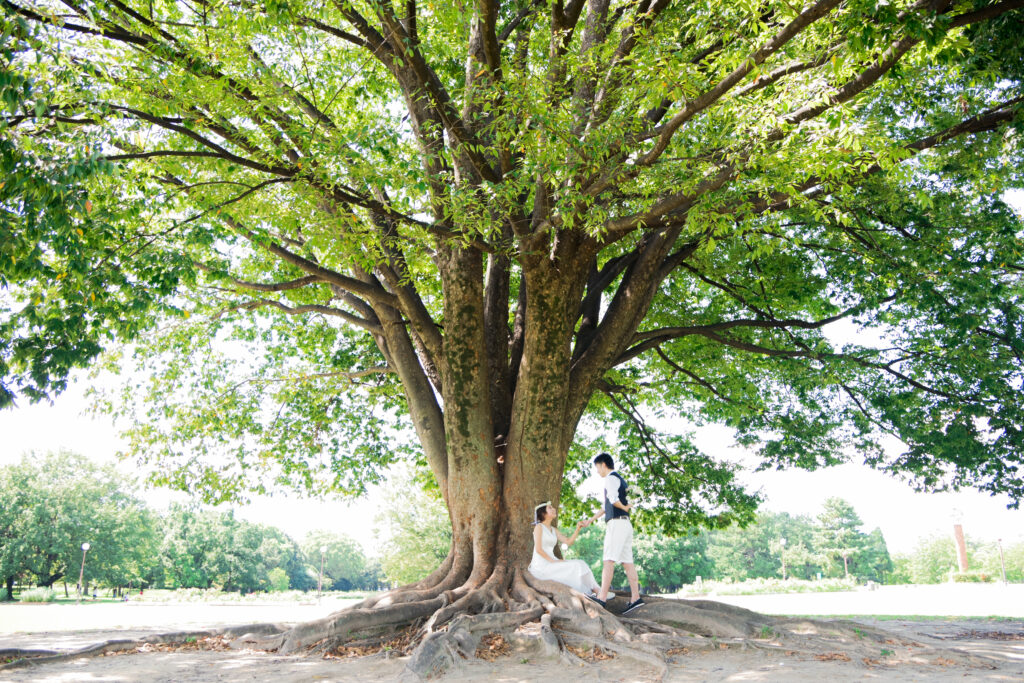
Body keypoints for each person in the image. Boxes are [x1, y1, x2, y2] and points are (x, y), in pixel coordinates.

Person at [584, 452, 644, 614]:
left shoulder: (610, 478)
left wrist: (624, 507)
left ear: (603, 465)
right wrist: (590, 520)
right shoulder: (620, 480)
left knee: (608, 560)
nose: (597, 471)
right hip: (625, 524)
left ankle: (602, 598)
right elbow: (606, 507)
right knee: (627, 562)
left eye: (597, 467)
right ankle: (636, 597)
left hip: (616, 525)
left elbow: (612, 498)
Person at [529, 501, 609, 599]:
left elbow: (568, 541)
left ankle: (597, 591)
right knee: (575, 566)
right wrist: (554, 561)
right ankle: (596, 592)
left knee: (581, 563)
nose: (554, 509)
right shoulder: (539, 527)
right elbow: (538, 549)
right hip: (541, 566)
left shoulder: (553, 530)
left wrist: (577, 529)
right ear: (543, 513)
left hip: (552, 562)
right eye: (550, 508)